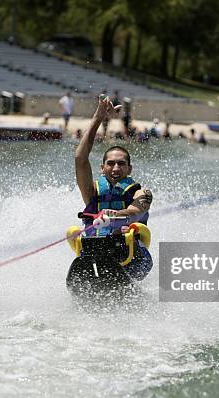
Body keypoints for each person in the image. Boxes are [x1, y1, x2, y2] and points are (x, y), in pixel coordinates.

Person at [74, 95, 153, 280]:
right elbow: (80, 159)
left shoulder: (142, 193)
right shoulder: (92, 192)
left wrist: (113, 215)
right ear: (102, 168)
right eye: (110, 163)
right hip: (96, 253)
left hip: (132, 257)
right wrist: (97, 119)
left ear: (129, 168)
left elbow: (134, 212)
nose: (115, 168)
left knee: (122, 236)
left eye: (121, 163)